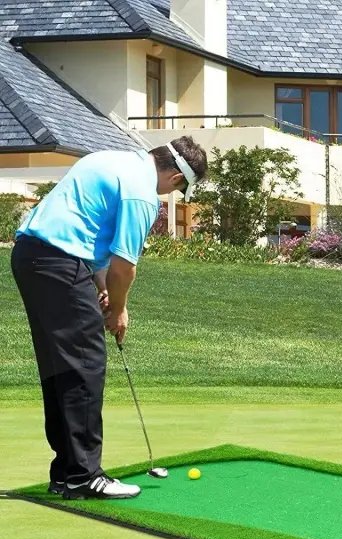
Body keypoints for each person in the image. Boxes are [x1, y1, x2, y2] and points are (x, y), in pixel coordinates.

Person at [11, 136, 208, 499]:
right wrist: (118, 310)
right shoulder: (142, 193)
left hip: (31, 258)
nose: (170, 196)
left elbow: (93, 243)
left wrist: (101, 288)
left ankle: (66, 474)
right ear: (177, 180)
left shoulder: (106, 159)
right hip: (61, 264)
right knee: (86, 363)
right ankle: (85, 476)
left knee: (62, 367)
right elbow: (124, 268)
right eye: (176, 192)